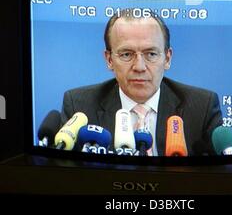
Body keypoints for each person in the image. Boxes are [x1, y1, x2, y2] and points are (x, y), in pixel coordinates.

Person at [61, 9, 223, 156]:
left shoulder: (202, 107)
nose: (139, 67)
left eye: (151, 54)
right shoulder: (79, 106)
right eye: (126, 54)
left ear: (167, 58)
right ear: (109, 60)